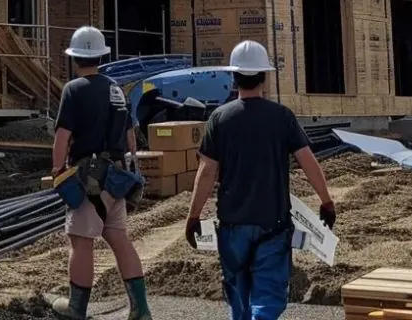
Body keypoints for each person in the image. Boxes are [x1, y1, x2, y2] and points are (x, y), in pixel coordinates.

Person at [184, 40, 335, 320]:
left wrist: (193, 216)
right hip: (272, 225)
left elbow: (206, 173)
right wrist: (326, 202)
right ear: (264, 77)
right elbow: (308, 162)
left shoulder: (219, 119)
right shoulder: (282, 117)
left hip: (232, 227)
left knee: (239, 302)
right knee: (266, 300)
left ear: (233, 77)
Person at [49, 26, 152, 320]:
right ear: (101, 55)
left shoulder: (74, 89)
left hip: (89, 178)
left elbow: (62, 137)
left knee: (81, 241)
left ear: (75, 58)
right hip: (116, 176)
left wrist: (58, 171)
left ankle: (76, 308)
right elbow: (131, 136)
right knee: (119, 237)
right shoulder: (117, 89)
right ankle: (141, 309)